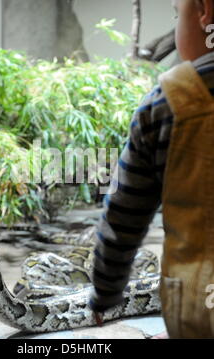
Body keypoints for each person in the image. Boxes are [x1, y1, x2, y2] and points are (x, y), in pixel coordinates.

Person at [89, 0, 214, 339]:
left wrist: (105, 293)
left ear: (205, 11)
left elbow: (122, 218)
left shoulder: (167, 102)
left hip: (200, 306)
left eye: (178, 15)